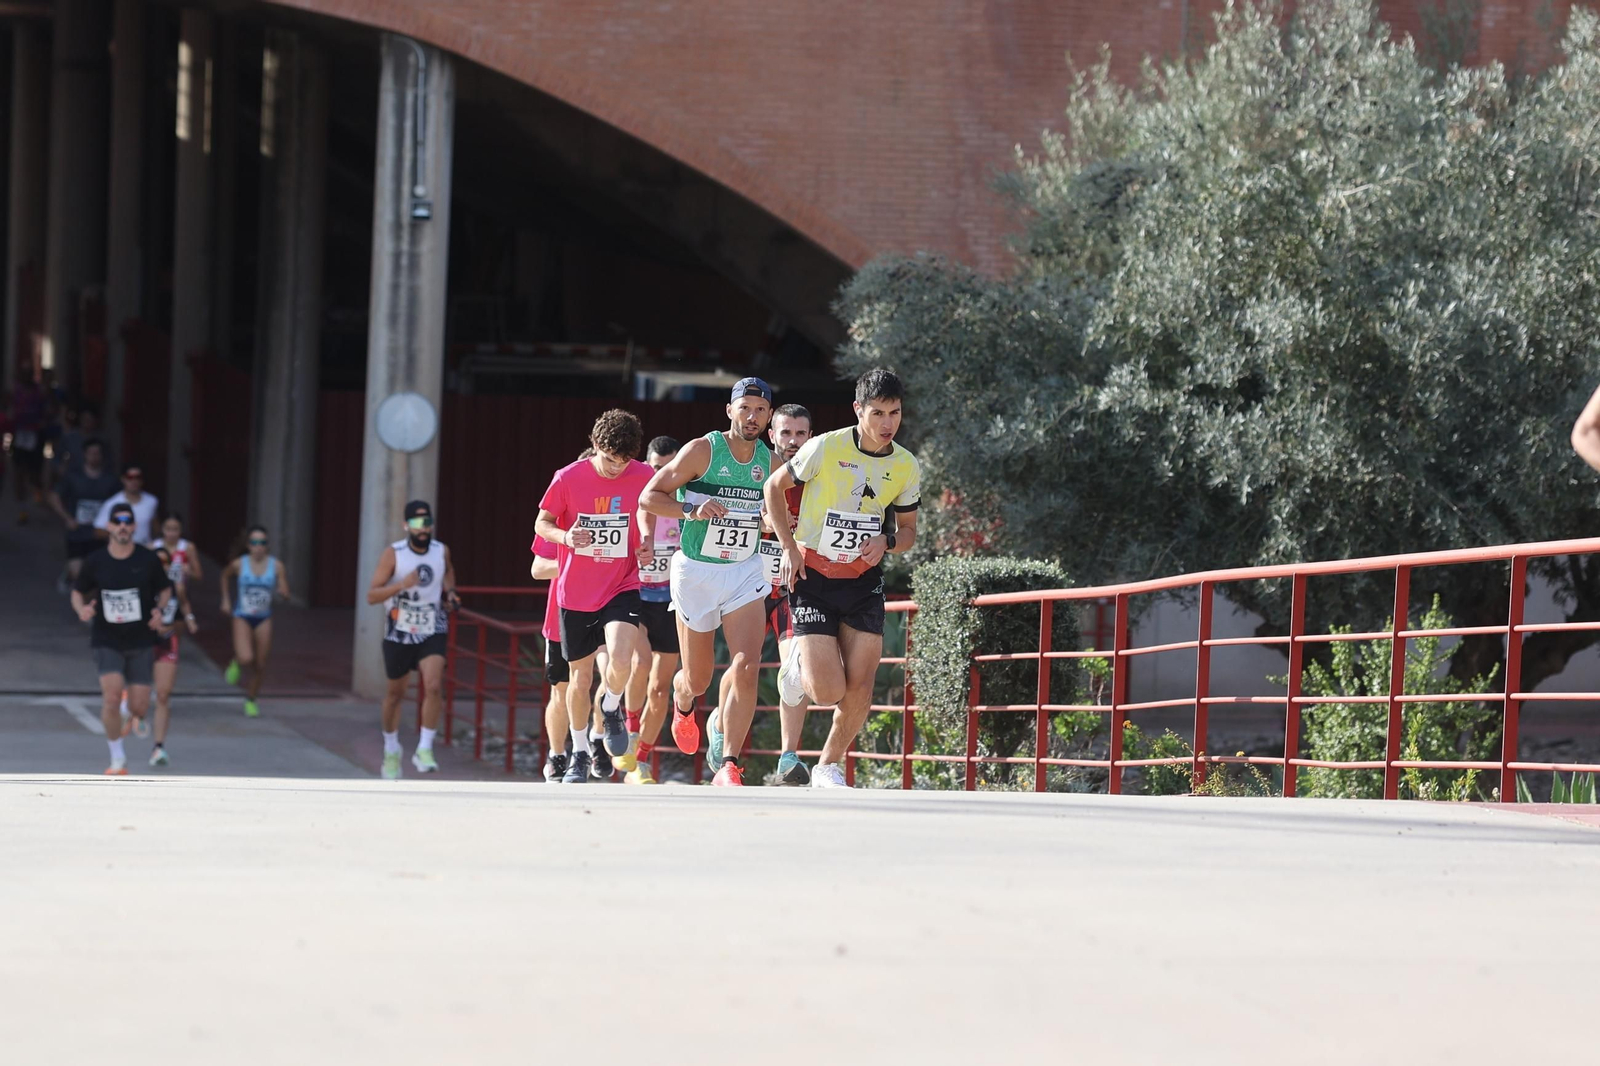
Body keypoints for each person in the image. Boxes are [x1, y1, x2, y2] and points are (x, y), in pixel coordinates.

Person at [764, 368, 922, 789]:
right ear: (858, 410)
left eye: (895, 413)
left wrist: (886, 542)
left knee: (861, 684)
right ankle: (796, 666)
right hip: (813, 576)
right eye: (878, 413)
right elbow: (772, 490)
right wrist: (789, 547)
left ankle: (828, 766)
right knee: (829, 691)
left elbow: (908, 532)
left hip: (862, 582)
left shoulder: (906, 465)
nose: (888, 424)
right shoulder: (824, 447)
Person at [640, 378, 775, 787]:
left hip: (744, 570)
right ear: (730, 410)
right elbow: (649, 496)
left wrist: (772, 523)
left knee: (747, 666)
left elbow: (772, 514)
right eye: (745, 408)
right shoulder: (704, 449)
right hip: (697, 571)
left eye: (760, 410)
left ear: (769, 415)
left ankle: (729, 763)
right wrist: (691, 509)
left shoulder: (769, 461)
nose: (752, 416)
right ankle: (684, 704)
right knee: (697, 679)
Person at [533, 410, 654, 784]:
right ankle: (579, 752)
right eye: (608, 460)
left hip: (622, 583)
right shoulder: (568, 478)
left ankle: (612, 704)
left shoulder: (644, 474)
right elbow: (542, 523)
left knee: (622, 658)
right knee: (578, 678)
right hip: (577, 592)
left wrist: (646, 538)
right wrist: (566, 538)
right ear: (595, 445)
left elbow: (651, 506)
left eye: (623, 462)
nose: (616, 469)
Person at [70, 500, 173, 775]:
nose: (123, 526)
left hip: (140, 639)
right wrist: (82, 609)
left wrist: (159, 611)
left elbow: (165, 589)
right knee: (111, 698)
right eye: (118, 522)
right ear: (109, 527)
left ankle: (131, 706)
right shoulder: (96, 561)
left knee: (139, 707)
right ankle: (117, 757)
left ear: (135, 527)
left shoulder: (147, 559)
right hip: (107, 638)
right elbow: (78, 591)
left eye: (128, 522)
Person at [365, 500, 459, 780]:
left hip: (432, 624)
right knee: (395, 694)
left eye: (427, 522)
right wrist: (401, 585)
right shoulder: (394, 554)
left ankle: (425, 748)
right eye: (417, 523)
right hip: (399, 629)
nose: (423, 528)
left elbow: (449, 572)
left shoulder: (441, 551)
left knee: (432, 686)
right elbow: (372, 595)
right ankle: (392, 749)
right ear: (406, 525)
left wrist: (451, 593)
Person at [619, 435, 684, 785]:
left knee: (660, 691)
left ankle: (640, 761)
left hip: (671, 605)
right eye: (657, 469)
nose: (664, 476)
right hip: (637, 598)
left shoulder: (688, 504)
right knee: (639, 662)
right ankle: (629, 730)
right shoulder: (637, 501)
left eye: (672, 469)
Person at [221, 525, 290, 719]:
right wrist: (225, 599)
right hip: (242, 615)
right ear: (248, 545)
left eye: (262, 543)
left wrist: (284, 592)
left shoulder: (276, 566)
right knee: (246, 657)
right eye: (254, 543)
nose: (258, 547)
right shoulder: (238, 564)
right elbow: (224, 576)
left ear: (267, 546)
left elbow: (285, 588)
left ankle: (251, 699)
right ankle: (236, 661)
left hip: (263, 617)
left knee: (260, 664)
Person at [142, 544, 199, 766]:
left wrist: (190, 619)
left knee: (163, 695)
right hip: (143, 643)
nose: (160, 567)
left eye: (165, 563)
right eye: (156, 562)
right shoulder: (142, 588)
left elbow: (183, 605)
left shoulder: (176, 587)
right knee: (140, 692)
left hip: (167, 641)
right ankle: (130, 709)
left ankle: (158, 747)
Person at [48, 438, 119, 590]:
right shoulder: (73, 476)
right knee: (80, 575)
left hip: (100, 534)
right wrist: (67, 518)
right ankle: (71, 574)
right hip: (77, 533)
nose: (94, 456)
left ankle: (89, 608)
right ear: (84, 455)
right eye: (91, 453)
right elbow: (54, 497)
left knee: (97, 575)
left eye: (97, 453)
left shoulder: (111, 479)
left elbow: (120, 503)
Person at [531, 535, 571, 782]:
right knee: (561, 691)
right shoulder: (555, 515)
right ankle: (557, 755)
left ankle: (595, 741)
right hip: (562, 618)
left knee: (613, 673)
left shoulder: (626, 508)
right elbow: (538, 569)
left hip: (607, 612)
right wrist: (577, 560)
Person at [10, 376, 49, 523]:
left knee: (35, 474)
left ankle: (38, 494)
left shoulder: (40, 394)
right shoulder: (16, 393)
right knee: (19, 473)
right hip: (20, 436)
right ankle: (22, 509)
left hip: (35, 437)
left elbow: (48, 411)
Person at [94, 463, 160, 545]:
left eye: (138, 477)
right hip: (120, 551)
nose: (134, 481)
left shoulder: (152, 501)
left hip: (145, 550)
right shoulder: (111, 503)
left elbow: (156, 529)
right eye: (130, 477)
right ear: (123, 479)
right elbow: (98, 531)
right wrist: (118, 531)